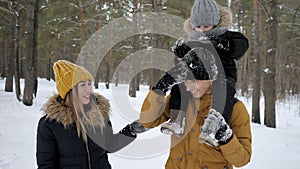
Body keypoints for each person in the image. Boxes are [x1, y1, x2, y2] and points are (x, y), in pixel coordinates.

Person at [139, 43, 252, 168]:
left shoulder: (235, 108)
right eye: (186, 81)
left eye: (193, 81)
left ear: (211, 78)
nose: (188, 86)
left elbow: (242, 160)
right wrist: (160, 88)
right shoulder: (180, 101)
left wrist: (226, 137)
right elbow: (147, 121)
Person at [161, 0, 249, 136]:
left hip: (223, 75)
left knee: (223, 90)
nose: (202, 30)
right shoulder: (193, 41)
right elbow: (182, 63)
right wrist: (179, 54)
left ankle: (215, 124)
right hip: (197, 78)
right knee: (179, 87)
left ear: (215, 22)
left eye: (206, 26)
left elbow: (241, 46)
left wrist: (224, 44)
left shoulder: (226, 35)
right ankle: (177, 119)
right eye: (198, 27)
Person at [36, 60, 146, 169]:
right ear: (69, 90)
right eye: (83, 85)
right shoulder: (50, 124)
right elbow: (47, 165)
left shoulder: (98, 114)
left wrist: (132, 129)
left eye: (89, 84)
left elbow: (109, 145)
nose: (88, 90)